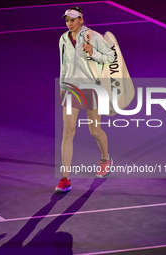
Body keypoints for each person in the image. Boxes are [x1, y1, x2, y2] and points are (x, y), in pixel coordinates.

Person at [55, 6, 115, 193]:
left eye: (73, 20)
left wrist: (93, 53)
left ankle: (106, 159)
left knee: (95, 130)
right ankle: (65, 179)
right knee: (67, 132)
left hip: (91, 88)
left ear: (81, 19)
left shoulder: (93, 36)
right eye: (67, 20)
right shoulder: (64, 39)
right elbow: (63, 64)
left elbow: (111, 56)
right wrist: (62, 86)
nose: (69, 23)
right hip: (72, 88)